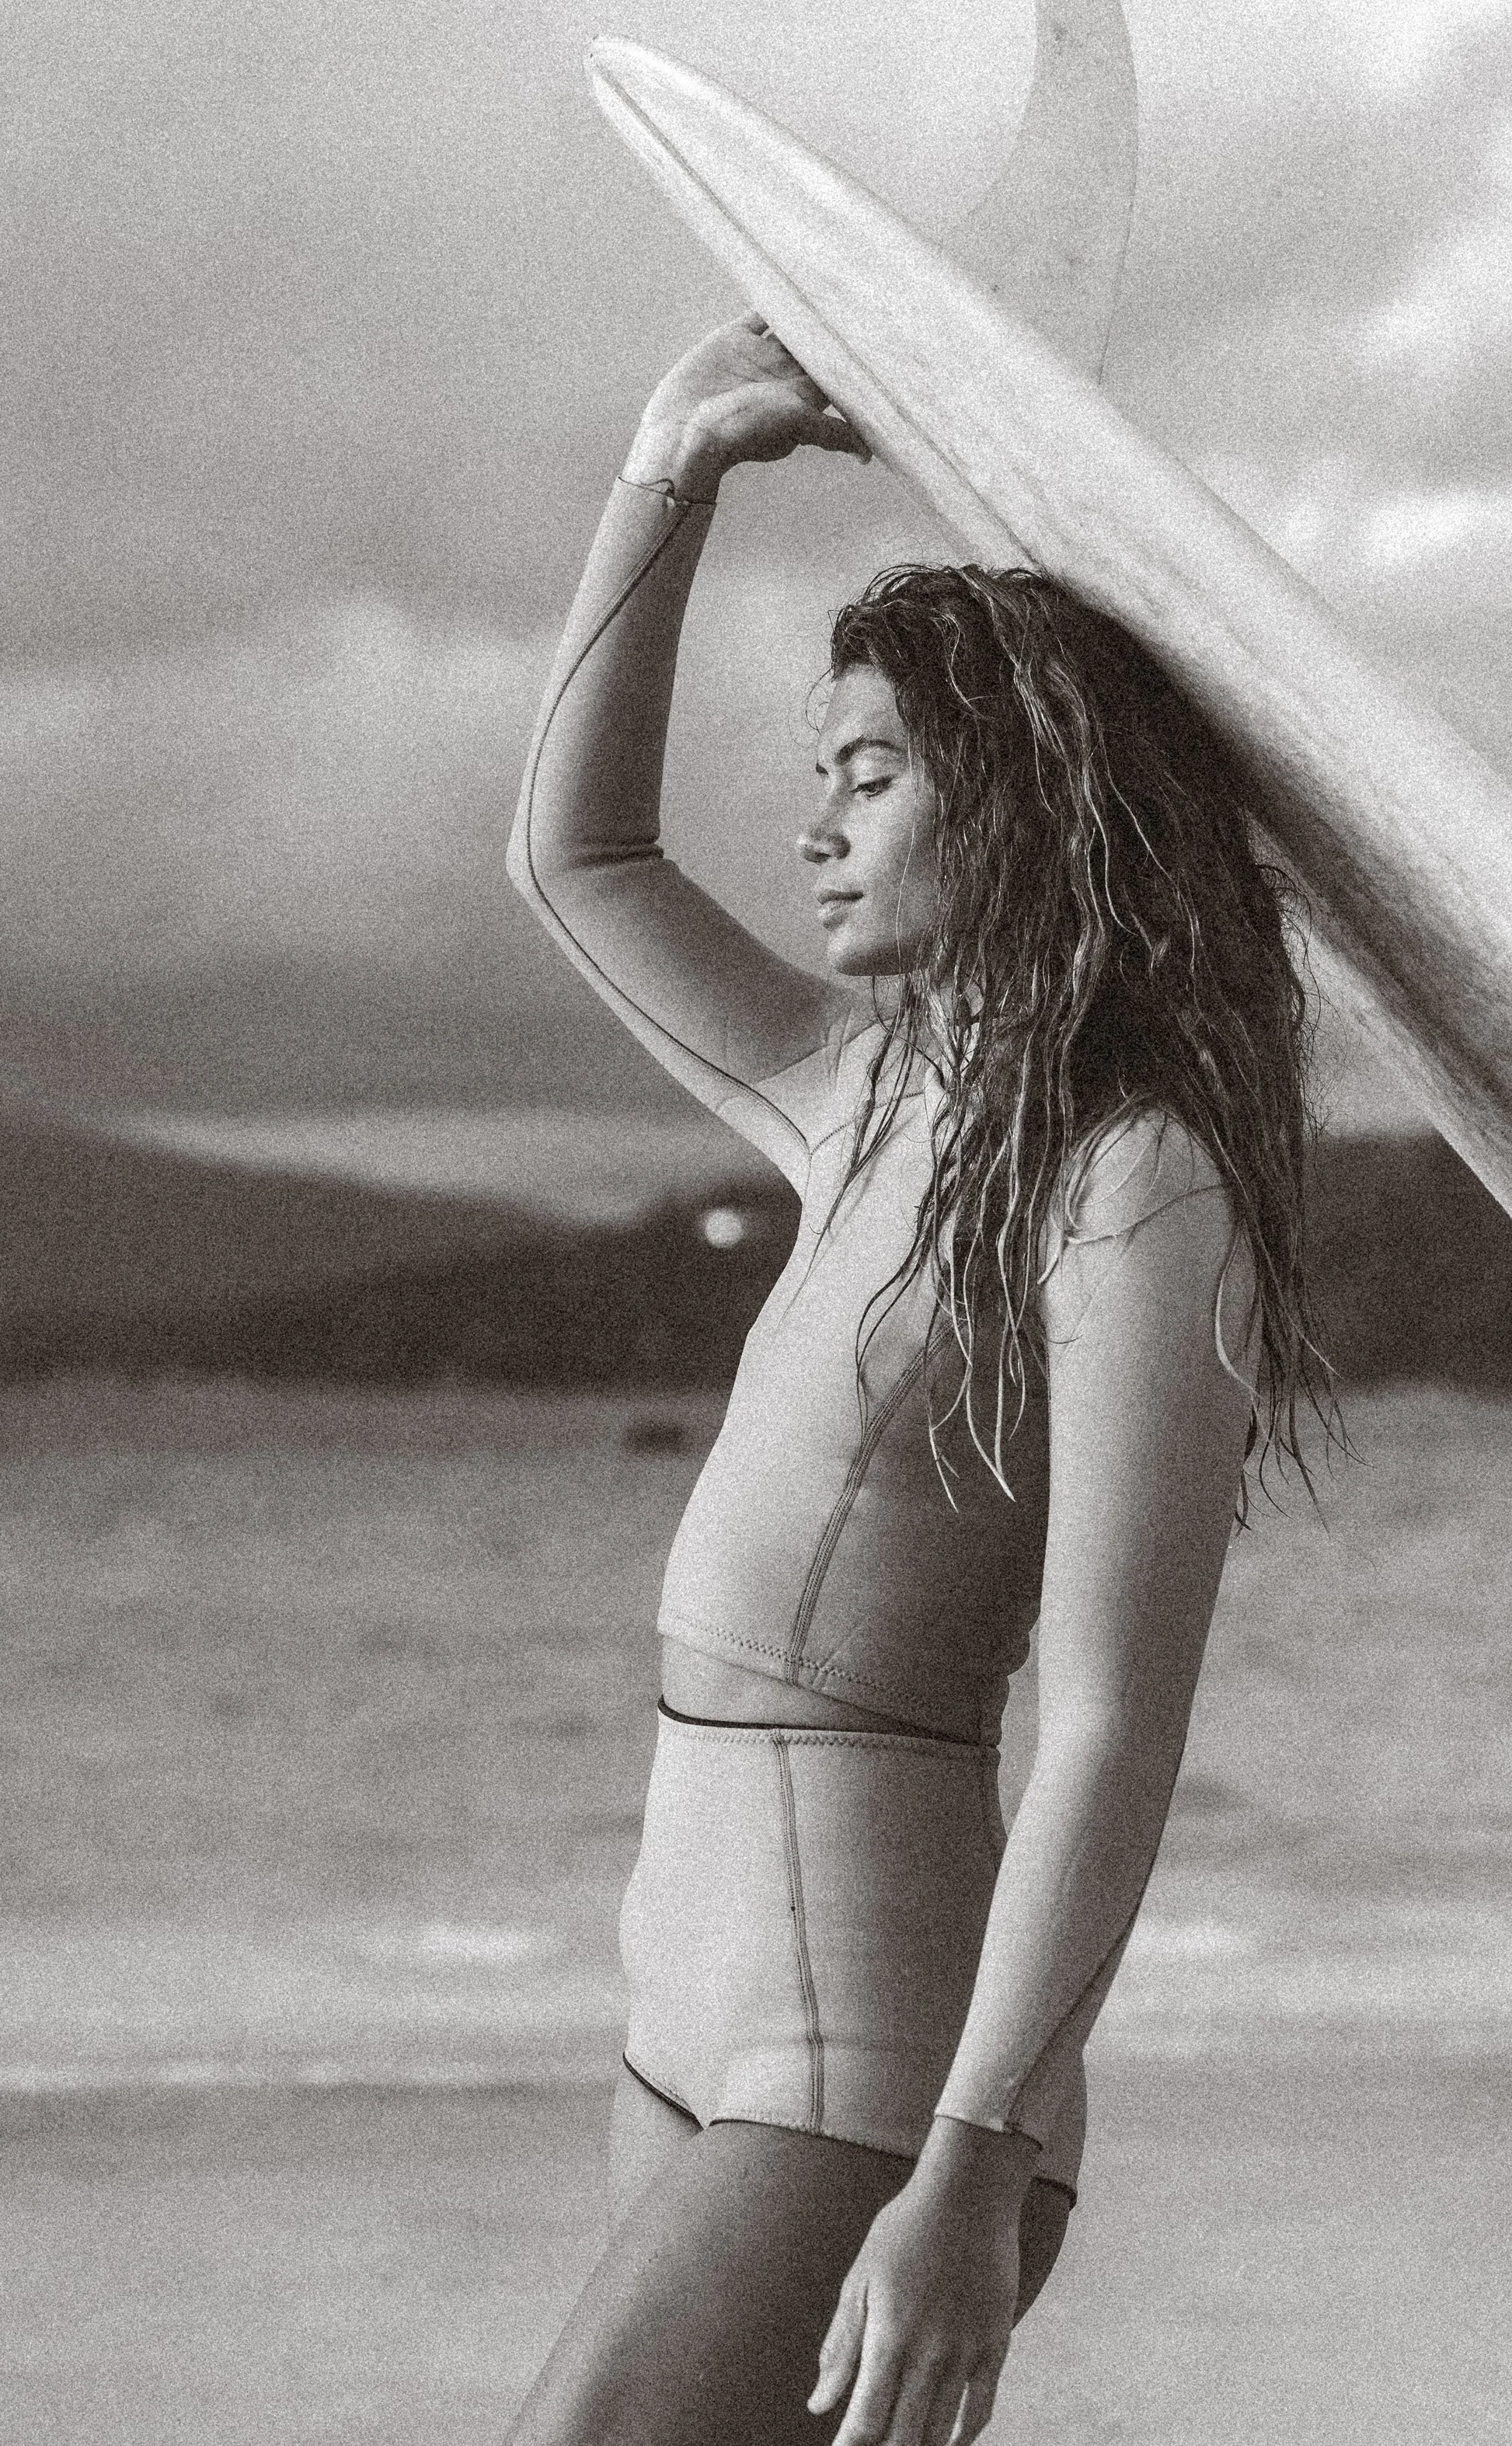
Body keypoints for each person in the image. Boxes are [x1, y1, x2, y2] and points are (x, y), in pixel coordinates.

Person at [504, 315, 1322, 2446]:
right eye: (821, 776)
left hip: (870, 2034)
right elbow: (571, 859)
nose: (818, 821)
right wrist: (666, 468)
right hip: (683, 1982)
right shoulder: (846, 1092)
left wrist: (975, 2154)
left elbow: (1119, 1707)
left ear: (1028, 802)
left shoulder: (1131, 1182)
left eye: (871, 773)